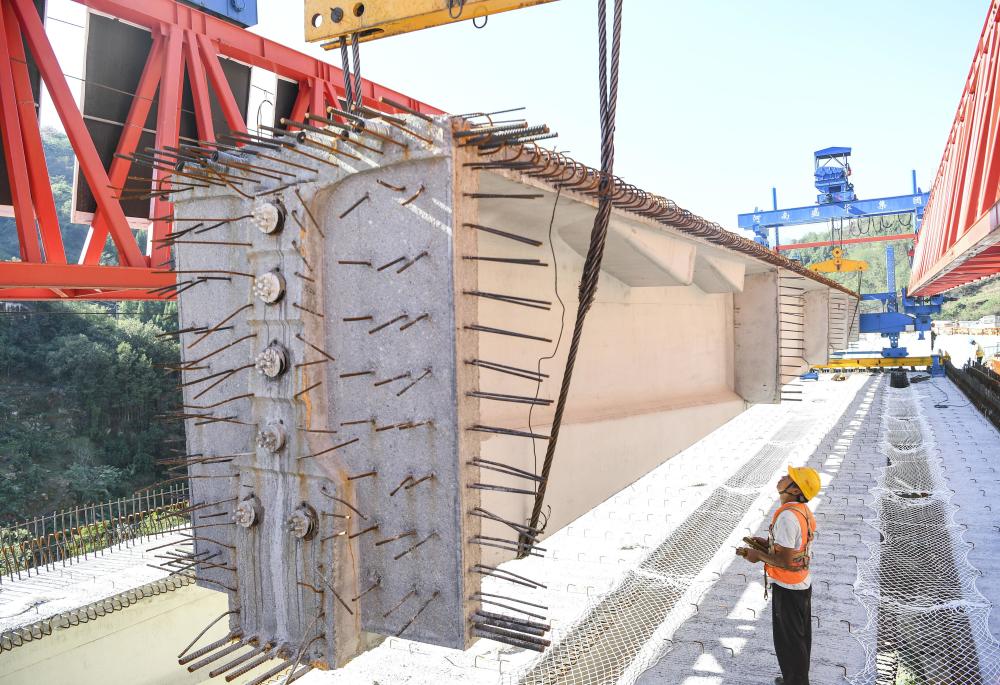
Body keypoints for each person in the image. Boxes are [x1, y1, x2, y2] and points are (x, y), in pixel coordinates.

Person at [738, 466, 820, 685]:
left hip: (789, 588)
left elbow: (784, 561)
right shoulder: (801, 510)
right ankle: (795, 680)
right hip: (800, 584)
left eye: (789, 477)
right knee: (799, 639)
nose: (783, 477)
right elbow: (793, 547)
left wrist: (758, 555)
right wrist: (768, 545)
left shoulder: (787, 518)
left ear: (795, 490)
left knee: (789, 644)